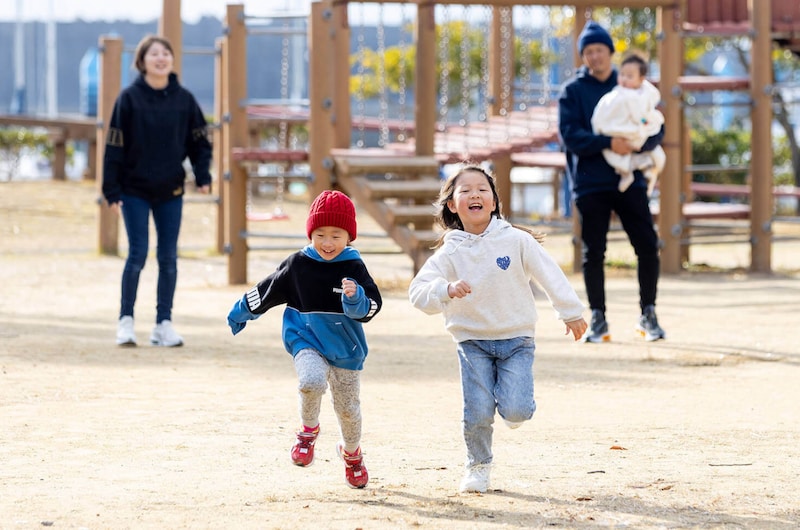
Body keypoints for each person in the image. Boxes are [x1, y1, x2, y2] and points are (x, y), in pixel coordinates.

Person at [408, 164, 587, 494]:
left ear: (493, 202)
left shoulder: (516, 240)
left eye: (482, 189)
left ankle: (512, 406)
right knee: (476, 411)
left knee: (517, 409)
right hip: (471, 341)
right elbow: (417, 293)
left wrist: (571, 312)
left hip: (516, 339)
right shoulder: (450, 252)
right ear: (452, 205)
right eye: (465, 190)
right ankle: (478, 466)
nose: (475, 194)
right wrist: (445, 290)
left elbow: (549, 273)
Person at [226, 190, 382, 489]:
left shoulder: (354, 267)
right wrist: (239, 313)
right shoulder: (298, 264)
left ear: (349, 236)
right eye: (320, 234)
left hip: (346, 350)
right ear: (310, 233)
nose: (327, 243)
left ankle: (352, 454)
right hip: (305, 338)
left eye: (336, 235)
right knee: (310, 381)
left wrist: (355, 298)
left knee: (348, 410)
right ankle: (307, 432)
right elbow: (267, 289)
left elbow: (371, 308)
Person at [558, 21, 667, 343]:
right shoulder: (573, 92)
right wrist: (608, 143)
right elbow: (570, 135)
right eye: (588, 52)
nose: (595, 56)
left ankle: (648, 312)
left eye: (600, 50)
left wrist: (639, 145)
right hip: (591, 182)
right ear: (583, 56)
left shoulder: (632, 85)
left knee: (647, 244)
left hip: (630, 177)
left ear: (610, 52)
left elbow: (656, 126)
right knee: (594, 251)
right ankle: (598, 316)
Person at [102, 34, 212, 348]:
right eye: (154, 54)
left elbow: (199, 142)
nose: (161, 58)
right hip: (133, 189)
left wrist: (202, 176)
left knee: (168, 257)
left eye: (166, 53)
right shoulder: (128, 98)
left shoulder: (185, 100)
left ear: (172, 60)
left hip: (170, 190)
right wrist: (111, 190)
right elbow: (114, 146)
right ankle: (126, 321)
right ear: (142, 61)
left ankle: (163, 323)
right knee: (137, 254)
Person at [591, 53, 665, 195]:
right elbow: (604, 113)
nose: (624, 79)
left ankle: (646, 169)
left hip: (639, 130)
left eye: (629, 76)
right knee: (613, 154)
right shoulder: (617, 94)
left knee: (655, 153)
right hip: (618, 131)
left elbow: (644, 115)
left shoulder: (644, 94)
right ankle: (626, 172)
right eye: (622, 74)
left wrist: (644, 124)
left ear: (641, 79)